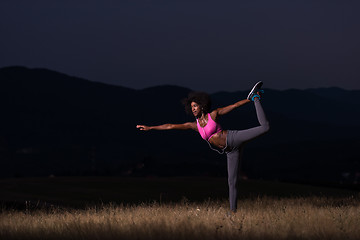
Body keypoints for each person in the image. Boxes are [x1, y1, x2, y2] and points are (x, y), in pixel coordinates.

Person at [136, 81, 270, 213]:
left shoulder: (214, 114)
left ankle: (256, 98)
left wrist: (250, 100)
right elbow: (170, 126)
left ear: (202, 106)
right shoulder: (195, 126)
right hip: (230, 151)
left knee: (265, 128)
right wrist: (151, 127)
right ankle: (232, 213)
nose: (193, 108)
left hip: (233, 138)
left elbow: (234, 106)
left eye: (195, 105)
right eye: (191, 106)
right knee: (232, 182)